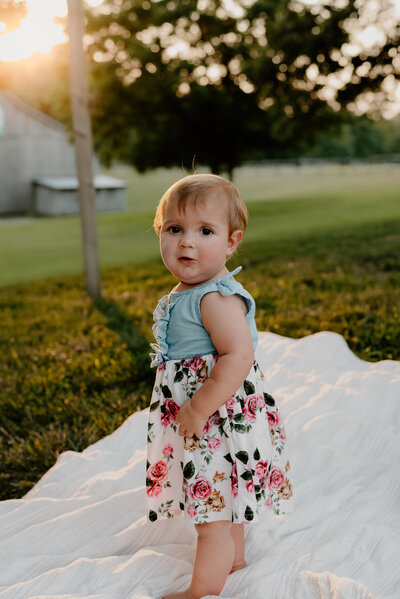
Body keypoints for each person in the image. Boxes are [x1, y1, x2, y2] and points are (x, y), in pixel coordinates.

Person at [146, 174, 293, 599]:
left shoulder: (214, 298)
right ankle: (234, 561)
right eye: (174, 229)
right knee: (226, 495)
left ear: (232, 242)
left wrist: (196, 408)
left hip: (214, 416)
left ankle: (201, 592)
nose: (186, 242)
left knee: (209, 514)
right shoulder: (191, 291)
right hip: (216, 416)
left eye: (204, 231)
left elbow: (237, 356)